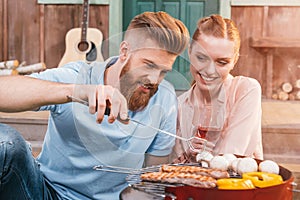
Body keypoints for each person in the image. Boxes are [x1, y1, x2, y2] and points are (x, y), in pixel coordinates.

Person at [0, 11, 189, 199]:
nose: (154, 79)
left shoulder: (165, 98)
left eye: (163, 71)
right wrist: (76, 92)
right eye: (148, 65)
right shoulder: (78, 76)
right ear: (124, 52)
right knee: (6, 142)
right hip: (49, 194)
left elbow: (152, 180)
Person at [172, 14, 263, 163]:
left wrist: (198, 161)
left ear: (234, 60)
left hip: (238, 185)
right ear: (190, 52)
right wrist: (188, 155)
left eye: (221, 62)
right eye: (202, 58)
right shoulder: (179, 106)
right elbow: (173, 169)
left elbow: (230, 158)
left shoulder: (245, 90)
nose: (209, 70)